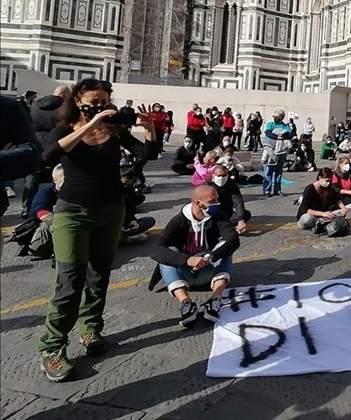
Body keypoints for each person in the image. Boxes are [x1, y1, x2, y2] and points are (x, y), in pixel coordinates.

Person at [36, 80, 155, 382]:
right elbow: (48, 156)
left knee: (99, 274)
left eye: (104, 100)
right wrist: (88, 127)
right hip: (73, 212)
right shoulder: (63, 130)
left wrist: (150, 127)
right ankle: (52, 348)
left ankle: (90, 329)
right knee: (69, 279)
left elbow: (147, 153)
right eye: (93, 100)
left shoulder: (114, 131)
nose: (100, 106)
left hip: (111, 210)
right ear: (78, 100)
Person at [150, 185, 240, 327]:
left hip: (208, 270)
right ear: (198, 203)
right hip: (183, 274)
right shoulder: (178, 221)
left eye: (217, 199)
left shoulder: (218, 216)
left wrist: (210, 256)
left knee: (226, 249)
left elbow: (233, 239)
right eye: (212, 201)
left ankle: (215, 299)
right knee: (169, 251)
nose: (217, 203)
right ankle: (186, 303)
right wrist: (187, 260)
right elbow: (156, 249)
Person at [21, 85, 71, 216]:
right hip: (56, 143)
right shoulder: (65, 107)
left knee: (32, 177)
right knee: (58, 176)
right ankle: (54, 206)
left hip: (35, 143)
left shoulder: (36, 105)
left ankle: (27, 207)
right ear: (65, 95)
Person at [297, 168, 351, 235]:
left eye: (329, 181)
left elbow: (336, 199)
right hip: (312, 215)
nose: (328, 183)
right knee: (307, 219)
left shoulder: (330, 187)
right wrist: (322, 213)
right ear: (320, 178)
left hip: (324, 216)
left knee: (339, 212)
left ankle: (321, 224)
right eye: (326, 181)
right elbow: (305, 209)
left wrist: (343, 208)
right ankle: (321, 224)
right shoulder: (309, 189)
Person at [207, 165, 251, 234]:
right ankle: (224, 227)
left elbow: (238, 202)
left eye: (224, 175)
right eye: (219, 176)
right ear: (213, 175)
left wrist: (241, 220)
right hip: (211, 213)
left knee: (246, 214)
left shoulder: (231, 184)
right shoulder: (207, 185)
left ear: (227, 175)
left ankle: (224, 226)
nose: (221, 178)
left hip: (227, 213)